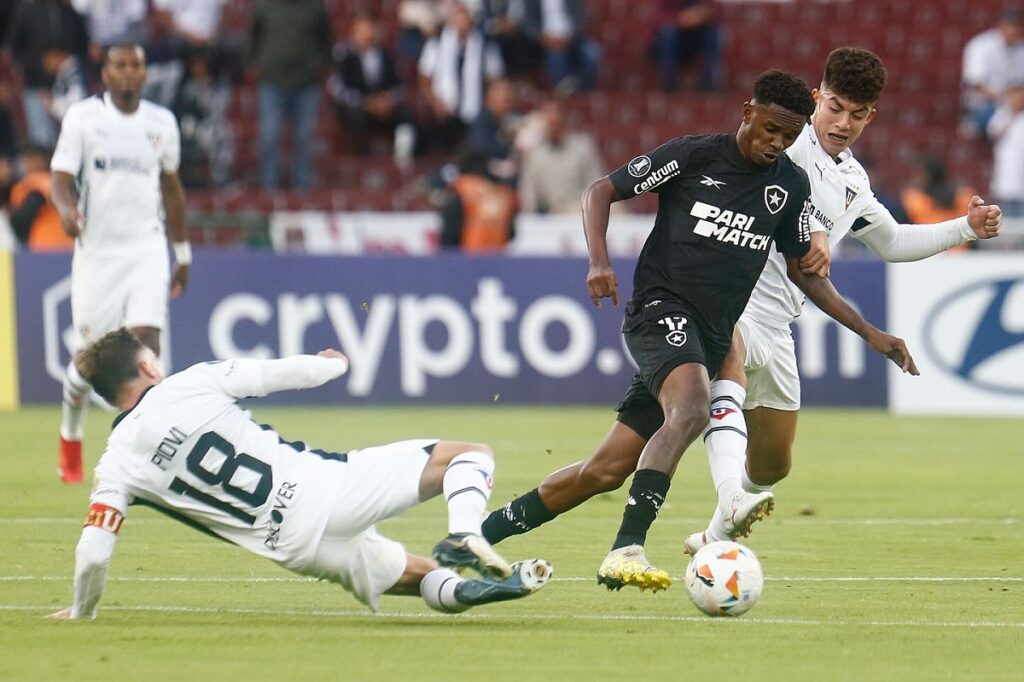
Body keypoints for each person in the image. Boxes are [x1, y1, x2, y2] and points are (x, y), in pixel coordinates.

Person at [485, 69, 826, 591]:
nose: (776, 143)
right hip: (659, 310)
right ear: (747, 112)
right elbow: (600, 190)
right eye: (770, 129)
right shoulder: (693, 156)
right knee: (692, 409)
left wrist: (868, 330)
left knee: (602, 471)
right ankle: (625, 549)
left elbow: (804, 265)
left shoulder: (789, 185)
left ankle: (476, 538)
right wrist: (599, 261)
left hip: (708, 337)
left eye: (790, 134)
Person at [680, 46, 1002, 555]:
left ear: (870, 116)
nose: (842, 122)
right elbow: (767, 205)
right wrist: (811, 230)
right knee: (729, 369)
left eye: (856, 114)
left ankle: (713, 535)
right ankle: (726, 498)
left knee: (772, 467)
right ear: (816, 98)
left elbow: (894, 243)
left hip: (780, 323)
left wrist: (966, 227)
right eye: (833, 107)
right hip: (729, 299)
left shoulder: (853, 179)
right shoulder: (782, 144)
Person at [48, 329, 552, 619]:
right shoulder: (190, 382)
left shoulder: (114, 464)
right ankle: (465, 533)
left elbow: (93, 553)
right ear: (147, 366)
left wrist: (82, 612)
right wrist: (332, 364)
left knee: (412, 575)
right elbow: (293, 373)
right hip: (326, 490)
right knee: (469, 456)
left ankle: (472, 590)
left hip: (294, 547)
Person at [50, 43, 191, 484]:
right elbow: (59, 178)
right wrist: (65, 211)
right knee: (90, 363)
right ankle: (70, 435)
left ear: (145, 75)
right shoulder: (83, 119)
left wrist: (181, 251)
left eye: (136, 66)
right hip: (98, 253)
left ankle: (148, 453)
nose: (128, 73)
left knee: (147, 343)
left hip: (146, 248)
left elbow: (172, 188)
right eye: (119, 66)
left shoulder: (161, 123)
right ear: (105, 74)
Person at [247, 0, 333, 190]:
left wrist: (322, 66)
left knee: (304, 139)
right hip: (272, 81)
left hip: (307, 83)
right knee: (269, 137)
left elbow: (325, 38)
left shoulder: (315, 6)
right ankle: (269, 190)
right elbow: (253, 36)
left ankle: (301, 191)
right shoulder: (265, 5)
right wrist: (254, 63)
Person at [418, 2, 505, 153]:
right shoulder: (436, 43)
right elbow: (424, 80)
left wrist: (487, 105)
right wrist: (435, 103)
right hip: (443, 111)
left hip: (476, 111)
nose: (461, 25)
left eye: (465, 19)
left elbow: (495, 79)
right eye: (457, 19)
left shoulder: (485, 44)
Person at [330, 12, 417, 161]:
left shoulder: (386, 55)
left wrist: (389, 99)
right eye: (361, 31)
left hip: (383, 107)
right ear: (353, 33)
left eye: (368, 29)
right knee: (356, 118)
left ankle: (404, 159)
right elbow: (337, 89)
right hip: (356, 106)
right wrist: (365, 102)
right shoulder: (344, 55)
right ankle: (364, 161)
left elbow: (400, 86)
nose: (366, 35)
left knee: (406, 115)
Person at [517, 98, 604, 214]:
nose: (554, 128)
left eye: (557, 123)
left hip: (582, 205)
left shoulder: (582, 147)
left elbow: (596, 183)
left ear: (564, 122)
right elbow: (528, 193)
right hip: (553, 212)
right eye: (551, 124)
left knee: (617, 210)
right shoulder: (534, 155)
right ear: (544, 125)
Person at [960, 4, 1024, 138]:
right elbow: (975, 83)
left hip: (1016, 105)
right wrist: (1006, 98)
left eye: (1017, 25)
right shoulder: (981, 45)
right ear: (1001, 25)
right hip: (982, 106)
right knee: (1005, 117)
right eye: (1010, 25)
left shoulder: (1021, 49)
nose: (1014, 29)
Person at [439, 151, 517, 252]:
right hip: (497, 259)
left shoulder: (462, 189)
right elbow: (511, 233)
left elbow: (450, 233)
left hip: (467, 260)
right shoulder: (503, 194)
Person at [8, 145, 73, 251]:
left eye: (32, 158)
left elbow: (22, 218)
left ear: (43, 160)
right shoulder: (60, 181)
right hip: (66, 245)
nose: (28, 163)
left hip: (46, 246)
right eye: (26, 158)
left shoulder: (41, 181)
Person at [650, 0, 722, 92]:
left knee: (713, 32)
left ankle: (709, 81)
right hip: (666, 42)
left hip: (692, 40)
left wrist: (701, 15)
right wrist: (681, 18)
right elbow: (658, 17)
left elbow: (716, 10)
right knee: (668, 33)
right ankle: (668, 82)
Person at [987, 83, 1024, 217]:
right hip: (1006, 180)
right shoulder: (1003, 114)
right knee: (1006, 225)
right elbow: (993, 132)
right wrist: (1011, 114)